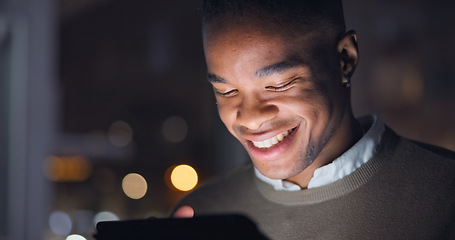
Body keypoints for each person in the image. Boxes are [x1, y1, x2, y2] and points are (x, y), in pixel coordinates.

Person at [173, 0, 455, 239]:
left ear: (345, 58)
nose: (250, 118)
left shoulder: (445, 196)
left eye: (279, 83)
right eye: (226, 91)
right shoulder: (200, 216)